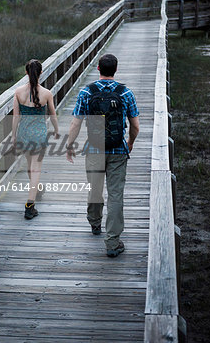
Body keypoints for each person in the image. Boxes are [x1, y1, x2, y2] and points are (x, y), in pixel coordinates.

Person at [66, 53, 139, 257]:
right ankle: (112, 242)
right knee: (115, 194)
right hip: (118, 149)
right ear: (115, 70)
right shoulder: (125, 93)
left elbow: (75, 123)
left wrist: (69, 145)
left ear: (98, 68)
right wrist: (130, 142)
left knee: (95, 189)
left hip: (95, 148)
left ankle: (95, 223)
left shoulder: (86, 93)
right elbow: (135, 125)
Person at [12, 59, 59, 219]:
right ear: (40, 73)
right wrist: (57, 130)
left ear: (26, 72)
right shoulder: (46, 93)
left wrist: (13, 136)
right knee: (35, 168)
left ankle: (37, 189)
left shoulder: (18, 92)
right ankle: (30, 205)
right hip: (39, 135)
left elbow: (16, 117)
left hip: (24, 134)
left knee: (30, 166)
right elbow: (53, 115)